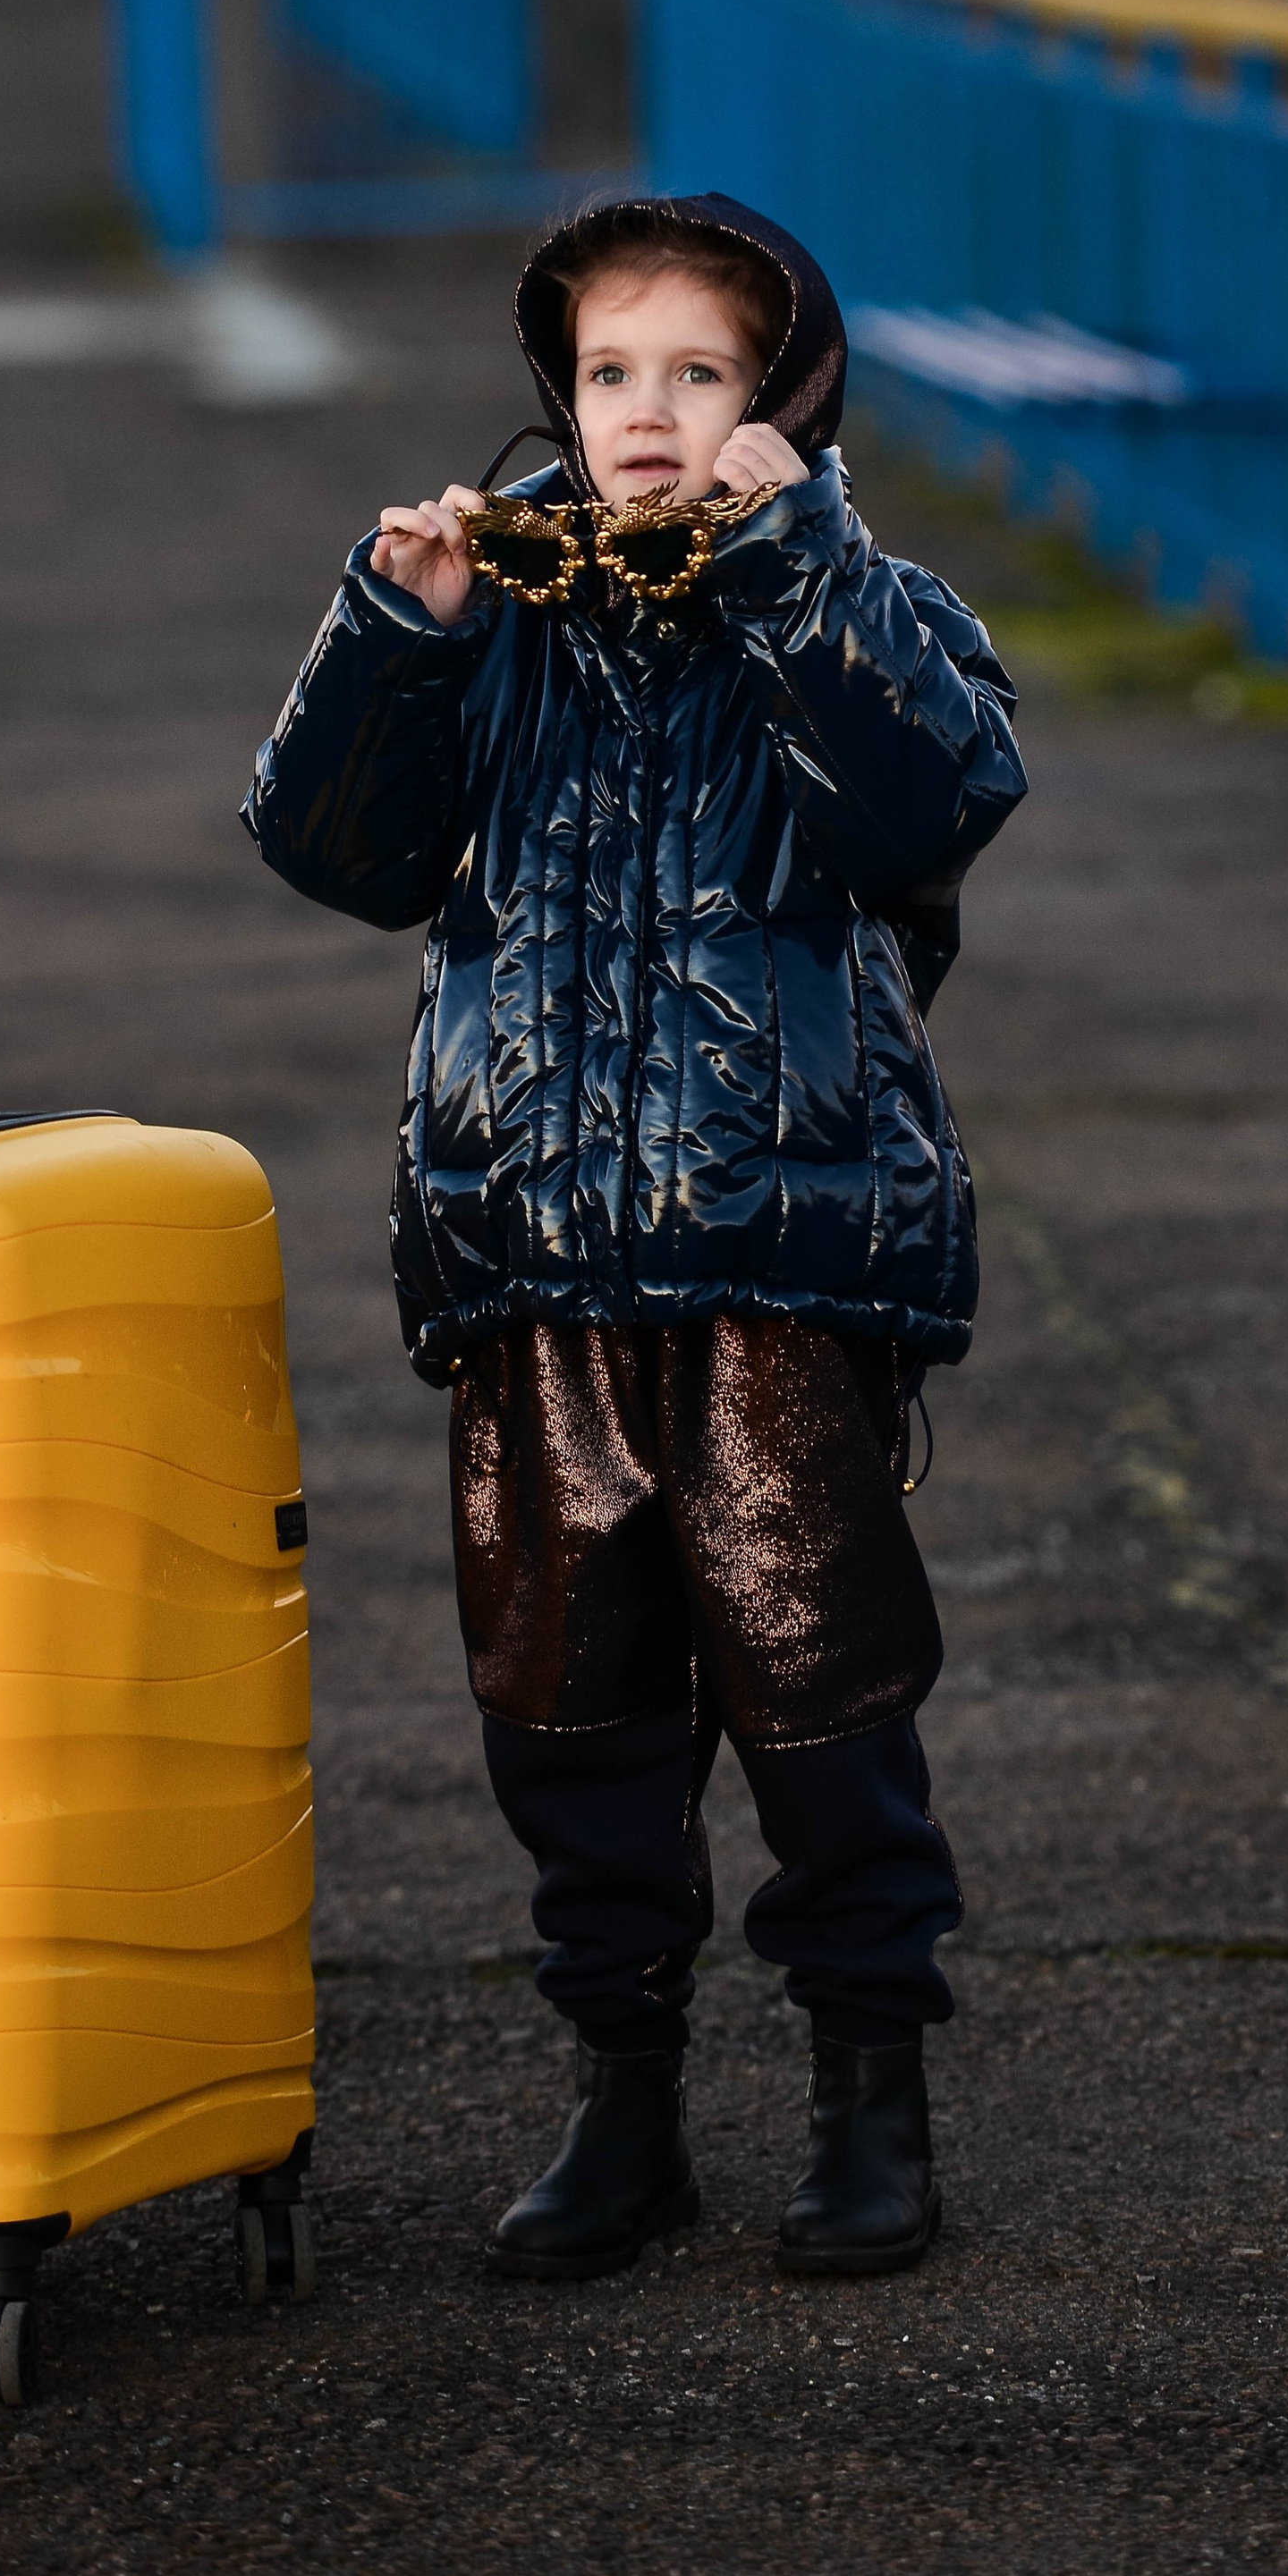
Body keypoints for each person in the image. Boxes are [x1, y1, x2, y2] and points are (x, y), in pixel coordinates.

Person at [244, 192, 1025, 2280]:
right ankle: (623, 2095)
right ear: (559, 395)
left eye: (698, 371)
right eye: (608, 372)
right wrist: (396, 626)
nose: (647, 411)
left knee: (819, 1692)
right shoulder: (502, 614)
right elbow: (335, 847)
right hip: (529, 1260)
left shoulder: (858, 597)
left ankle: (868, 2087)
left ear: (782, 396)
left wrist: (787, 564)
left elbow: (931, 802)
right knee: (563, 1714)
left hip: (776, 1256)